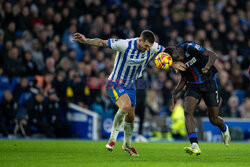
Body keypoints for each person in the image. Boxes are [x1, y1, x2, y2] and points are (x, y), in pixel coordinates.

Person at [73, 30, 185, 156]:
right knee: (125, 106)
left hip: (130, 85)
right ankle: (112, 140)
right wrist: (86, 40)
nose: (147, 49)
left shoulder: (152, 47)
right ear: (140, 40)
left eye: (149, 47)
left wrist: (173, 62)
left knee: (131, 117)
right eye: (146, 46)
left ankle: (127, 144)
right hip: (115, 83)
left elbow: (165, 50)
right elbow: (102, 42)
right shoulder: (125, 45)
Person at [167, 41, 231, 155]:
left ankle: (224, 129)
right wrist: (174, 93)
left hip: (209, 82)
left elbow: (213, 55)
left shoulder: (190, 47)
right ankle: (194, 144)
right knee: (187, 112)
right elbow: (184, 78)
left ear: (177, 48)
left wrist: (207, 67)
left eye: (177, 57)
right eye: (175, 59)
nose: (178, 60)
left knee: (214, 119)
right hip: (193, 85)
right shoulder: (177, 61)